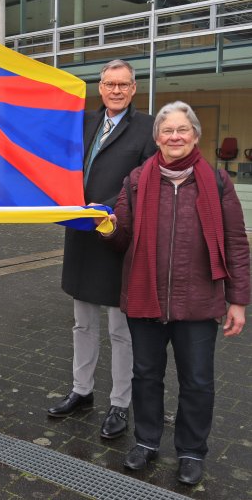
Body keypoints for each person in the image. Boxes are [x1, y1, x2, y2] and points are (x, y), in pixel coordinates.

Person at [99, 101, 249, 485]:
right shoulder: (136, 180)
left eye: (182, 129)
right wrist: (107, 227)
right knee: (146, 375)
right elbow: (123, 239)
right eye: (167, 131)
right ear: (157, 138)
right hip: (145, 298)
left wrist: (238, 301)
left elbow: (235, 243)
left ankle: (191, 451)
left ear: (195, 135)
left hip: (199, 302)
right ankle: (146, 442)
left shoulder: (215, 181)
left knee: (197, 381)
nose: (175, 136)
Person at [51, 59, 157, 439]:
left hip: (117, 235)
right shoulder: (83, 123)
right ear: (100, 87)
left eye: (123, 84)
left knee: (120, 329)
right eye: (109, 84)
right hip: (81, 235)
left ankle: (120, 403)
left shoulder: (146, 128)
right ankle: (81, 390)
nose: (115, 90)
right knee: (82, 321)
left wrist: (107, 208)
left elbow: (147, 179)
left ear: (133, 89)